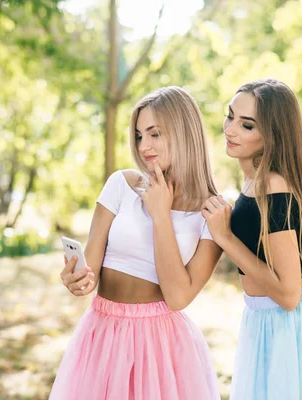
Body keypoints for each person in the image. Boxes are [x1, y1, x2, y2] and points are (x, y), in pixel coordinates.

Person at [48, 86, 222, 400]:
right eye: (140, 135)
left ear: (183, 132)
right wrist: (77, 279)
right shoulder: (121, 184)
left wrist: (161, 214)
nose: (144, 146)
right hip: (102, 333)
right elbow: (91, 270)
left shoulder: (212, 211)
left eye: (155, 134)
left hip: (163, 347)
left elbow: (179, 296)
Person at [202, 78, 302, 399]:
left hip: (287, 330)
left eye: (247, 125)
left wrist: (226, 238)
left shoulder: (273, 185)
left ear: (272, 135)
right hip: (270, 323)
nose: (231, 129)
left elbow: (288, 296)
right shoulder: (265, 180)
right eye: (230, 115)